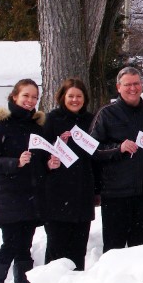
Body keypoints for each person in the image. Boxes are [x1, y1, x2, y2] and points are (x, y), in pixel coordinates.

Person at [0, 78, 45, 283]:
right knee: (10, 243)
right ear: (14, 97)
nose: (30, 101)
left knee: (25, 245)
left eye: (34, 97)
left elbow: (41, 159)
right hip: (9, 195)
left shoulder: (37, 128)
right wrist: (15, 163)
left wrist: (50, 163)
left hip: (31, 195)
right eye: (26, 96)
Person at [91, 66, 143, 252]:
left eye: (136, 84)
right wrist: (118, 149)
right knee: (114, 249)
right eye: (127, 85)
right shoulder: (106, 114)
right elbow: (92, 149)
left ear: (142, 85)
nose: (132, 88)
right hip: (116, 195)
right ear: (118, 87)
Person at [39, 77, 96, 270]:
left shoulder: (92, 120)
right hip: (57, 195)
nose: (75, 100)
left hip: (83, 193)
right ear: (62, 97)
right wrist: (49, 163)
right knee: (57, 247)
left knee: (79, 249)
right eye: (70, 96)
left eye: (79, 96)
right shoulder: (51, 120)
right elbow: (40, 153)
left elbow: (98, 154)